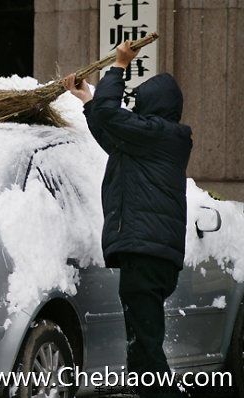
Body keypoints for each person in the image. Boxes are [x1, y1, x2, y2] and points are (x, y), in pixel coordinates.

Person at [63, 41, 193, 397]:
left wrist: (119, 66)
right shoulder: (150, 140)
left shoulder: (159, 134)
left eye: (139, 103)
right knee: (141, 345)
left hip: (146, 252)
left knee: (145, 347)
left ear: (155, 106)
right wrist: (88, 99)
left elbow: (112, 116)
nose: (134, 109)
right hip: (149, 252)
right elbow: (110, 130)